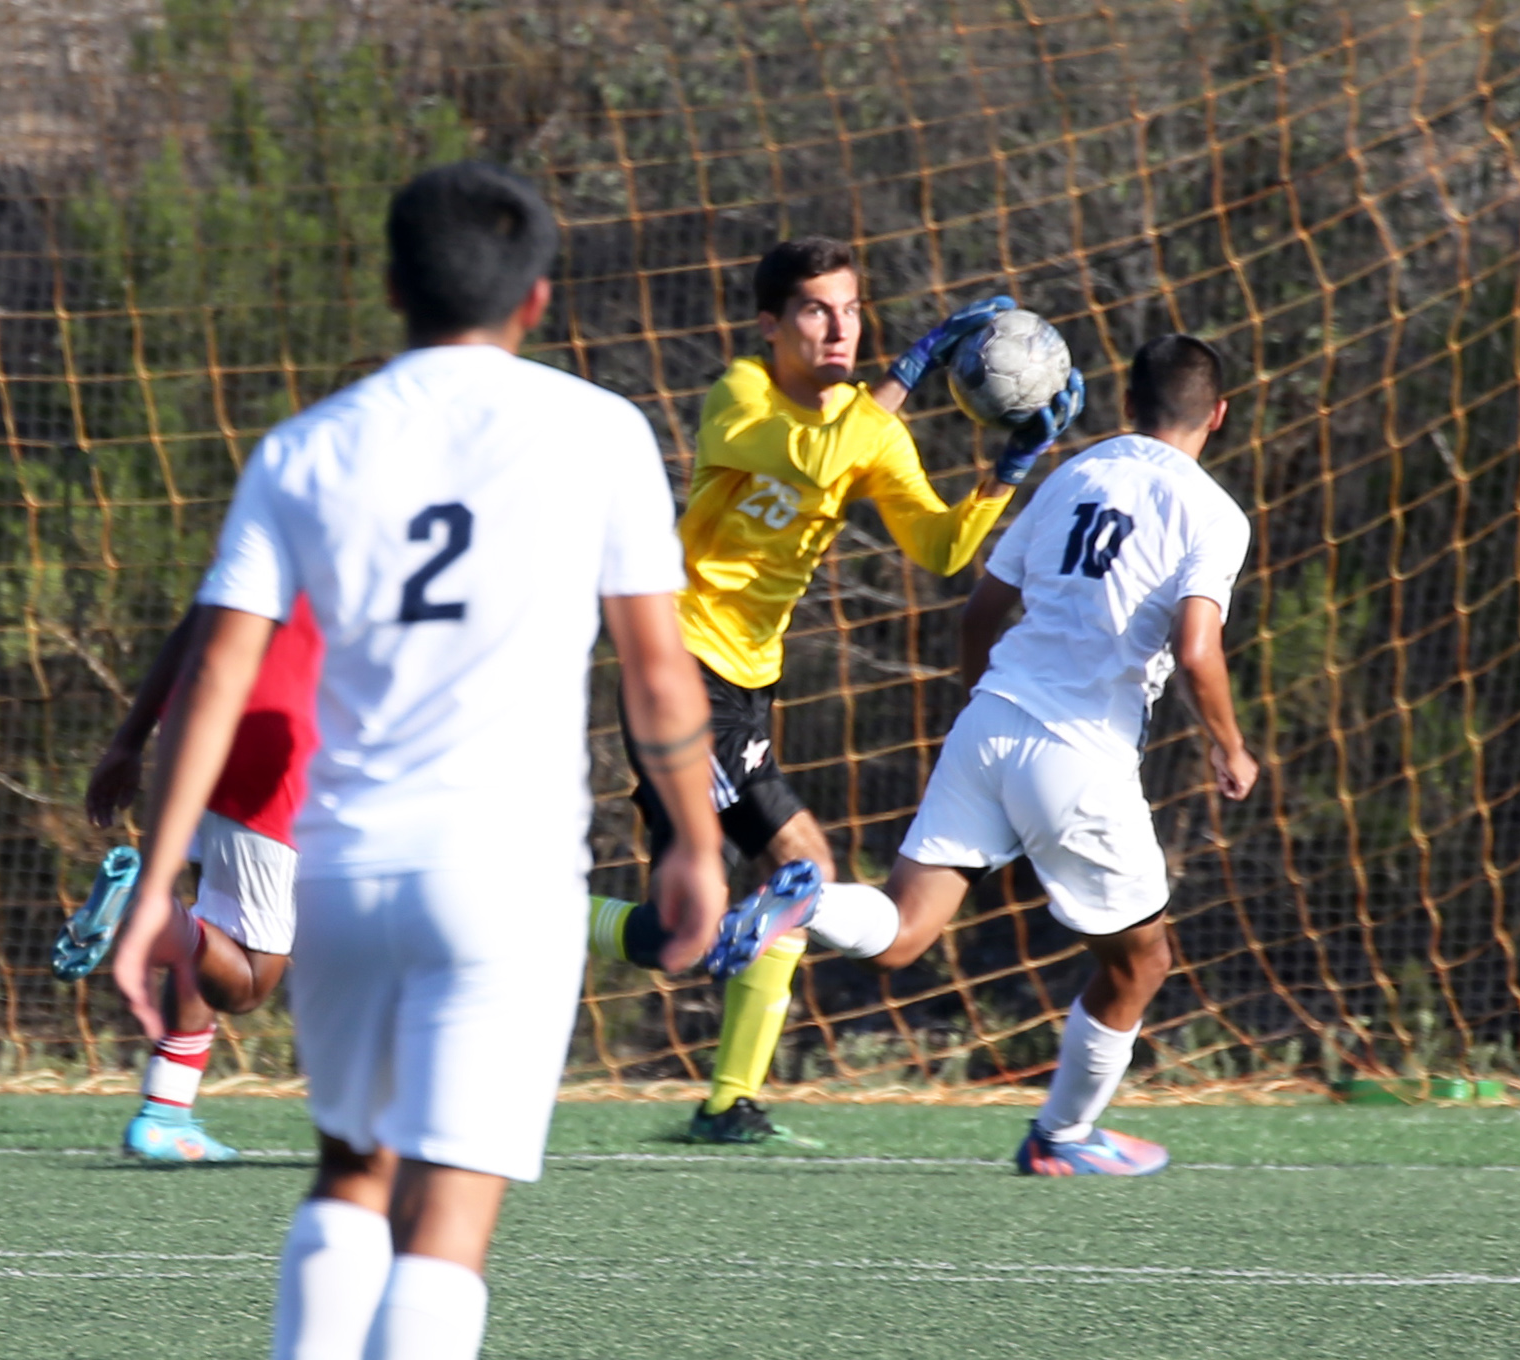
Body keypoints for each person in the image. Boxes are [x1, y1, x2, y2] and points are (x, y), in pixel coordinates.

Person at [108, 159, 729, 1359]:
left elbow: (220, 675)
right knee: (446, 1221)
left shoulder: (304, 448)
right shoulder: (602, 432)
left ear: (391, 284)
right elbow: (658, 670)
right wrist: (695, 841)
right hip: (502, 881)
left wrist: (155, 883)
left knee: (349, 1173)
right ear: (537, 301)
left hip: (340, 876)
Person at [708, 334, 1257, 1176]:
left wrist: (981, 709)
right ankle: (1060, 1140)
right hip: (1080, 752)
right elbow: (1196, 647)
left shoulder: (1070, 476)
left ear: (1126, 405)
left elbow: (978, 613)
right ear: (1217, 416)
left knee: (901, 932)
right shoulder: (1213, 511)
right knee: (1142, 960)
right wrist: (1231, 745)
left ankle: (805, 907)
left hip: (991, 720)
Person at [585, 237, 1084, 1146]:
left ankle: (718, 1093)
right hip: (679, 667)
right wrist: (904, 377)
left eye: (850, 310)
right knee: (798, 872)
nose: (837, 327)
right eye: (816, 310)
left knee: (682, 934)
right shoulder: (739, 396)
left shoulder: (868, 427)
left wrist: (1003, 472)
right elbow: (811, 457)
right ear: (770, 326)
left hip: (749, 685)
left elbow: (938, 549)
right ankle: (725, 1099)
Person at [76, 597, 319, 1161]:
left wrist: (128, 741)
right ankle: (153, 910)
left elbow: (191, 628)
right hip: (279, 740)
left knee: (211, 933)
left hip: (199, 723)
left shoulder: (263, 524)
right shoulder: (358, 534)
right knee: (249, 981)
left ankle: (165, 1114)